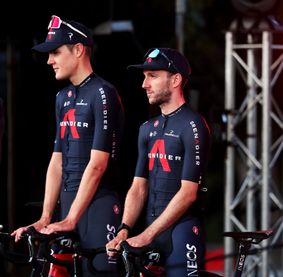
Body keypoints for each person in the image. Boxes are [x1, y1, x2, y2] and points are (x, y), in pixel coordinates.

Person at [11, 15, 124, 276]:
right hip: (68, 205)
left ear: (78, 50)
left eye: (55, 52)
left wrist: (71, 219)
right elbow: (56, 161)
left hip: (98, 206)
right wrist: (44, 217)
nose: (50, 60)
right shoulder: (62, 97)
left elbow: (97, 165)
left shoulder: (103, 93)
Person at [106, 48, 211, 276]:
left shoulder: (193, 125)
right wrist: (125, 229)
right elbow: (138, 186)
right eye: (144, 77)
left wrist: (146, 235)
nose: (144, 84)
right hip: (150, 230)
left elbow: (188, 193)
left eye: (152, 76)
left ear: (175, 80)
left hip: (182, 232)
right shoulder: (146, 128)